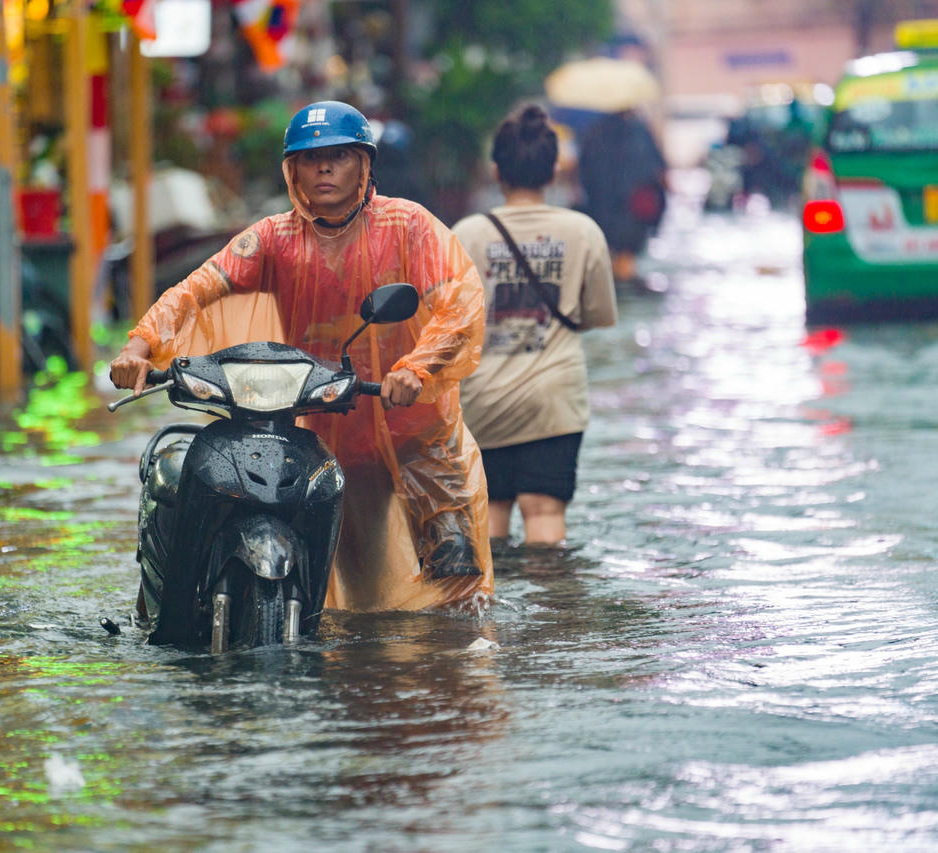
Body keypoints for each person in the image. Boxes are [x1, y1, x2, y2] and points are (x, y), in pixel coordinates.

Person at [109, 100, 493, 612]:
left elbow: (460, 304)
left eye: (338, 156)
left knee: (459, 593)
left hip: (419, 433)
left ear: (364, 164)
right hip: (334, 436)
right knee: (359, 604)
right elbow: (195, 290)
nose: (325, 168)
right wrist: (138, 347)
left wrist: (416, 369)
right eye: (311, 159)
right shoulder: (273, 239)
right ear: (293, 171)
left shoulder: (410, 227)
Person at [454, 104, 617, 545]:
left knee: (488, 523)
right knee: (545, 517)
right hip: (555, 401)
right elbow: (599, 314)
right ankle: (555, 613)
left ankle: (494, 615)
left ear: (496, 170)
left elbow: (447, 322)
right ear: (554, 171)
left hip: (483, 400)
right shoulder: (583, 231)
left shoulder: (465, 235)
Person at [575, 108, 666, 284]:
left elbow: (583, 171)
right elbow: (657, 169)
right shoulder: (639, 131)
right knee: (626, 261)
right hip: (633, 209)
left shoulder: (594, 131)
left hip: (600, 207)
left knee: (605, 261)